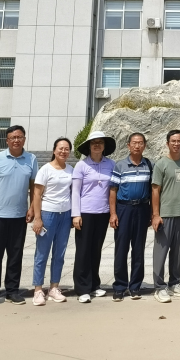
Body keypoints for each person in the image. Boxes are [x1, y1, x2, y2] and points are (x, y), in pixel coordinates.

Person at [0, 125, 38, 308]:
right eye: (13, 137)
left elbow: (34, 187)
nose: (16, 140)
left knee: (15, 255)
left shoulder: (31, 159)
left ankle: (12, 291)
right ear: (7, 140)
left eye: (19, 137)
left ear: (24, 139)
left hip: (19, 216)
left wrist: (32, 208)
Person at [72, 128, 116, 302]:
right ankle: (82, 288)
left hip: (103, 213)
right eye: (94, 143)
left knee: (96, 250)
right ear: (89, 146)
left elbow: (113, 189)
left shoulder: (111, 164)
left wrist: (113, 212)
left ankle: (94, 285)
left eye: (100, 143)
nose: (97, 145)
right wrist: (76, 214)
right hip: (85, 213)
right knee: (83, 250)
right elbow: (75, 191)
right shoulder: (81, 165)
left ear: (104, 146)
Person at [110, 132, 154, 301]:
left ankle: (135, 286)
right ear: (128, 145)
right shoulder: (120, 165)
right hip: (124, 209)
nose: (137, 146)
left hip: (142, 208)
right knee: (121, 248)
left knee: (138, 249)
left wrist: (152, 213)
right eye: (134, 143)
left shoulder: (149, 165)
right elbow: (113, 190)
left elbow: (153, 191)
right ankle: (120, 286)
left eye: (140, 143)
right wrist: (113, 213)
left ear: (144, 146)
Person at [31, 138, 74, 305]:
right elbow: (37, 195)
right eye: (60, 148)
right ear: (54, 150)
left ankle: (54, 287)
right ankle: (38, 289)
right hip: (48, 214)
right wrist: (38, 218)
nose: (63, 151)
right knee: (42, 253)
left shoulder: (71, 170)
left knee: (59, 253)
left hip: (65, 215)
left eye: (66, 149)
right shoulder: (45, 169)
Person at [151, 129, 180, 303]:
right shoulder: (161, 164)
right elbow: (155, 190)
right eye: (173, 141)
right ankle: (159, 287)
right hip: (165, 214)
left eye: (179, 141)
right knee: (160, 252)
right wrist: (155, 214)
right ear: (167, 143)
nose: (176, 144)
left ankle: (174, 283)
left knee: (178, 252)